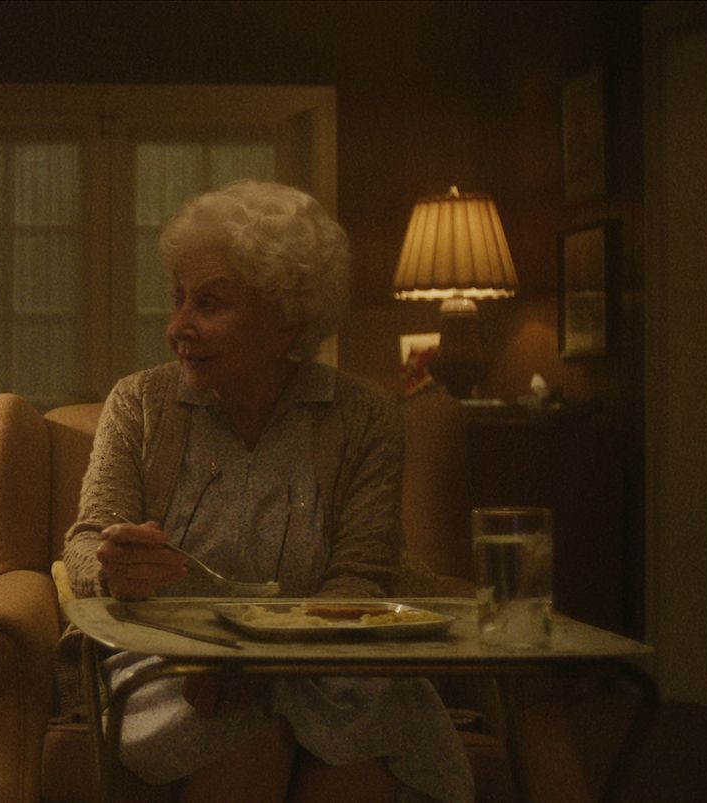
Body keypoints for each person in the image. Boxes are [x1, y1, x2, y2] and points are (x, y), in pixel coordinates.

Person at [61, 180, 472, 803]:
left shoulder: (364, 416)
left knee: (354, 760)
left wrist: (273, 661)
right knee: (245, 739)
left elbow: (361, 577)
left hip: (326, 663)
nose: (178, 327)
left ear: (287, 321)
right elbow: (88, 539)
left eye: (208, 304)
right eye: (178, 299)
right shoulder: (140, 403)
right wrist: (113, 567)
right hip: (174, 662)